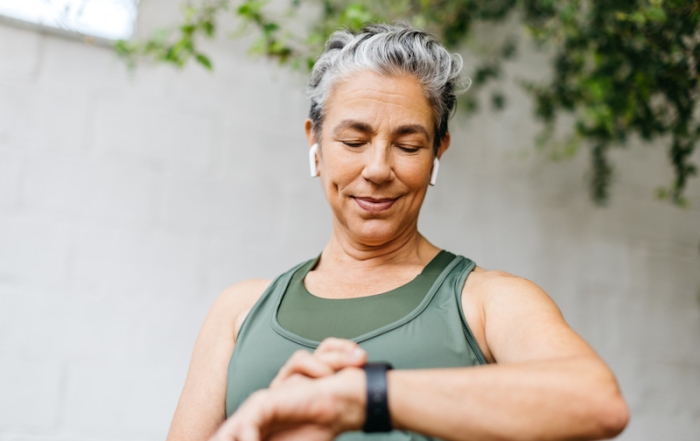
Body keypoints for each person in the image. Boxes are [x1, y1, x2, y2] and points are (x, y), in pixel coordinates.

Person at [166, 24, 629, 441]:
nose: (378, 169)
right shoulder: (240, 311)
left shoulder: (488, 302)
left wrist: (359, 398)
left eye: (408, 145)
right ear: (315, 141)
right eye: (353, 141)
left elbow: (596, 401)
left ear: (437, 151)